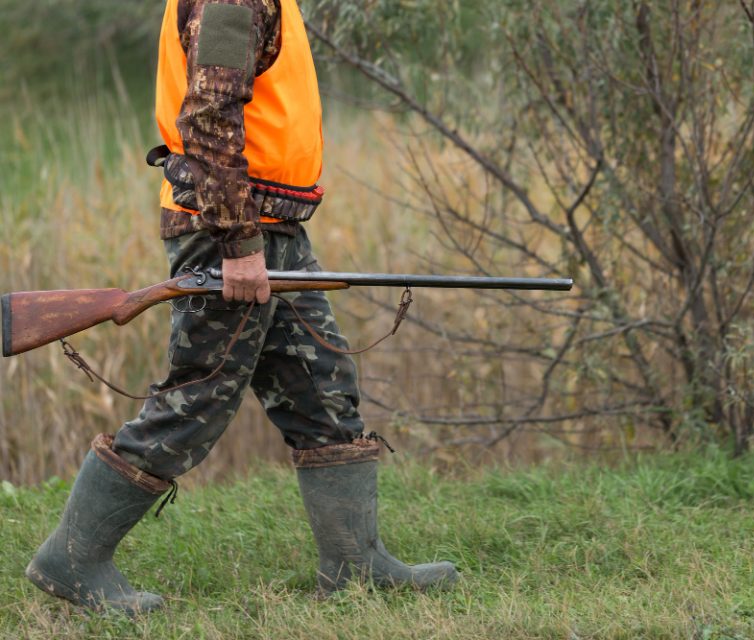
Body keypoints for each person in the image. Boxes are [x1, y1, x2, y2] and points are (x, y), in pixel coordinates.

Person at [24, 0, 458, 614]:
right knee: (197, 397)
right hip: (232, 231)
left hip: (272, 229)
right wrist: (240, 243)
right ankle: (70, 560)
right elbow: (208, 117)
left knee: (323, 387)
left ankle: (355, 566)